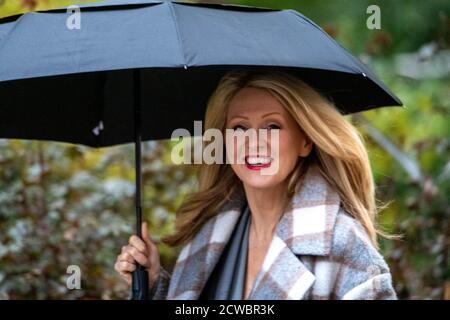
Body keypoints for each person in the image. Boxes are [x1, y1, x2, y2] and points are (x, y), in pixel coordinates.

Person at [114, 68, 397, 300]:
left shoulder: (342, 241)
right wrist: (153, 285)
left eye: (272, 127)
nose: (254, 143)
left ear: (306, 140)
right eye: (239, 128)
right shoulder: (207, 237)